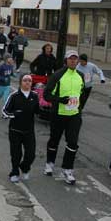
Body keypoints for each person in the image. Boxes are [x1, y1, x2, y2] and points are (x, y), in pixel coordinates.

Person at [43, 50, 85, 185]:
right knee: (54, 140)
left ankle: (67, 169)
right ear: (66, 60)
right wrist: (60, 100)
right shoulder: (57, 75)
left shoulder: (80, 75)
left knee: (72, 142)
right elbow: (46, 95)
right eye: (71, 59)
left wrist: (79, 108)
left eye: (75, 59)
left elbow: (82, 93)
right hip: (58, 115)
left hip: (74, 115)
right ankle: (49, 163)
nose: (73, 61)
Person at [2, 74, 39, 183]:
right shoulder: (14, 96)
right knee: (16, 154)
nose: (27, 82)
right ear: (20, 82)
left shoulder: (35, 95)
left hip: (29, 131)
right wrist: (14, 114)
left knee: (31, 154)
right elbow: (4, 113)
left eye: (29, 81)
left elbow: (37, 110)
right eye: (25, 80)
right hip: (15, 130)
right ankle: (14, 172)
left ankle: (24, 167)